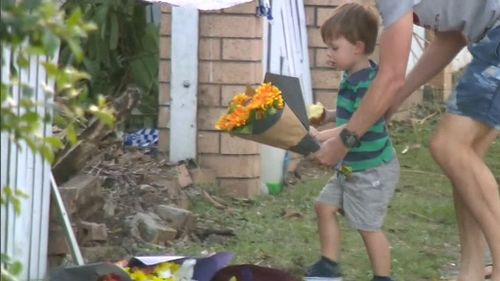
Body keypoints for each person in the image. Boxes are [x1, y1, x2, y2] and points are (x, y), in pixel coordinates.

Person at [315, 1, 500, 281]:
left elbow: (389, 76)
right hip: (489, 40)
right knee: (463, 163)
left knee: (449, 146)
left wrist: (343, 143)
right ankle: (471, 272)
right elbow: (452, 38)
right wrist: (395, 100)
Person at [304, 3, 400, 281]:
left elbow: (358, 124)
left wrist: (320, 137)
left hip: (372, 171)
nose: (328, 54)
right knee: (324, 206)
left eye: (334, 48)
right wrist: (328, 116)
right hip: (351, 167)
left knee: (367, 226)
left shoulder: (370, 82)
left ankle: (383, 278)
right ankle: (328, 265)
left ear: (357, 47)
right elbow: (350, 116)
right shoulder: (352, 75)